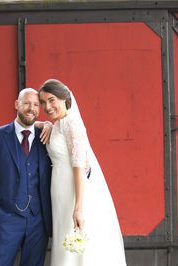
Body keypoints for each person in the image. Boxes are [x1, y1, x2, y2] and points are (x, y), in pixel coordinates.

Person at [39, 79, 127, 266]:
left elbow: (79, 166)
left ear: (64, 98)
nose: (47, 106)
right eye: (43, 102)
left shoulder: (72, 124)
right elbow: (32, 125)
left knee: (77, 247)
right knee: (64, 241)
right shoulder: (58, 125)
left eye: (52, 100)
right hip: (59, 192)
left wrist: (78, 208)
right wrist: (46, 125)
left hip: (72, 191)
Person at [0, 88, 53, 266]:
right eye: (26, 103)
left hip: (38, 222)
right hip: (6, 219)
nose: (31, 108)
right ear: (17, 104)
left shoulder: (46, 138)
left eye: (35, 105)